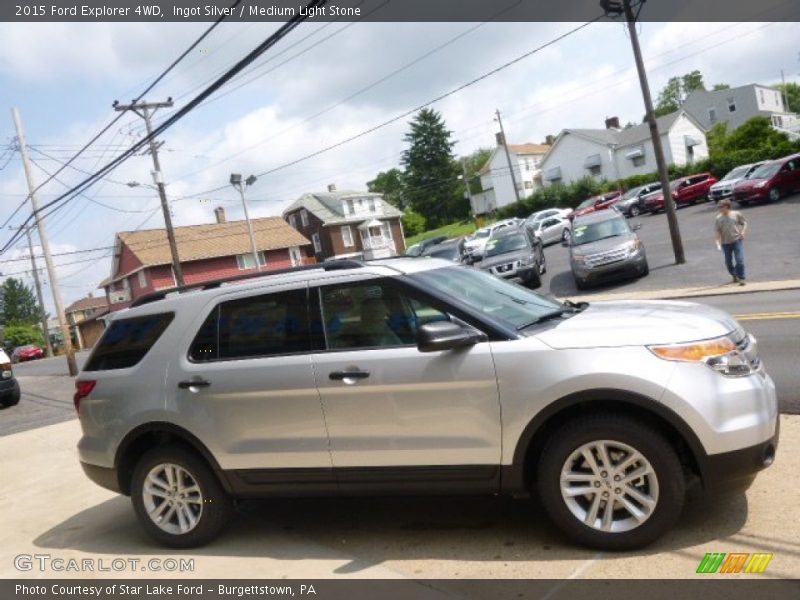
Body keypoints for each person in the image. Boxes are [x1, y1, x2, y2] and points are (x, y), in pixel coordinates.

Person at [713, 199, 748, 285]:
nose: (720, 208)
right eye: (719, 207)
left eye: (721, 207)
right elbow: (717, 231)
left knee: (739, 260)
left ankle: (741, 278)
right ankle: (734, 274)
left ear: (727, 207)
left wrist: (743, 232)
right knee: (728, 263)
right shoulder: (718, 218)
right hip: (725, 243)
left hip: (737, 240)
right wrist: (717, 241)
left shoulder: (736, 214)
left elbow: (744, 223)